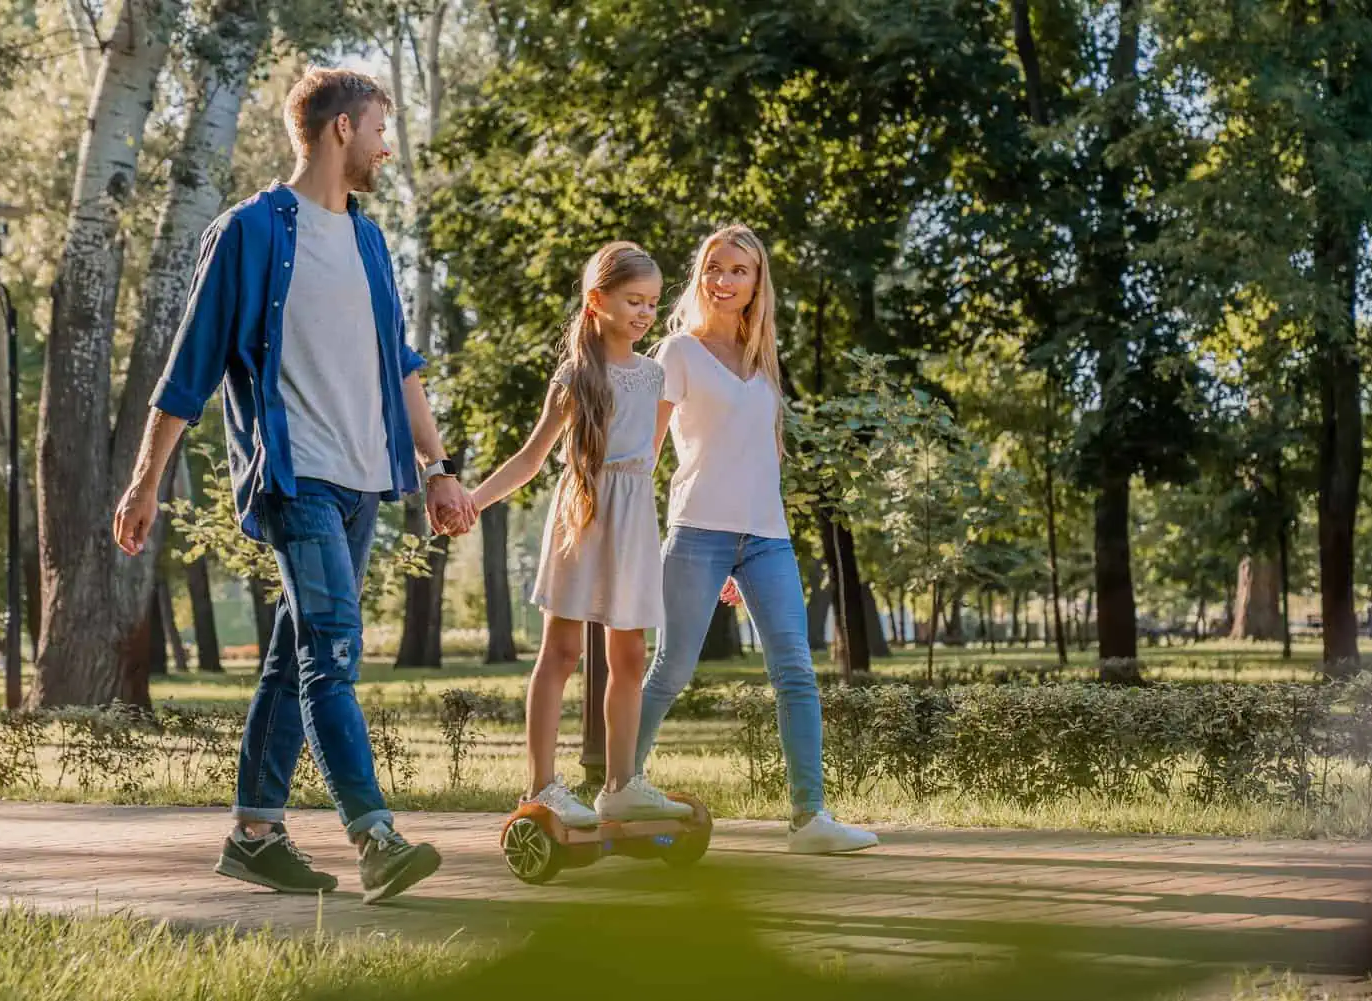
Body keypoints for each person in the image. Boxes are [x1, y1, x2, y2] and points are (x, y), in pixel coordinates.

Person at [112, 67, 476, 903]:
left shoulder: (372, 241)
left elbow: (402, 366)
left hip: (360, 484)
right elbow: (189, 369)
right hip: (295, 476)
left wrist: (436, 468)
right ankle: (373, 835)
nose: (388, 145)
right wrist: (144, 485)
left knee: (292, 658)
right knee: (333, 655)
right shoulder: (251, 231)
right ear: (342, 129)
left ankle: (254, 833)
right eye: (382, 128)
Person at [635, 225, 878, 854]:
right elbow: (650, 453)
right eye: (714, 267)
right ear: (701, 275)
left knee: (796, 672)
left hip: (767, 539)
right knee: (670, 671)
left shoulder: (763, 361)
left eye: (738, 270)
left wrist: (748, 559)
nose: (724, 280)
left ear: (756, 282)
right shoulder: (677, 354)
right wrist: (636, 532)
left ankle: (809, 819)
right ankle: (619, 785)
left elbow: (764, 458)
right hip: (696, 533)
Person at [471, 242, 692, 827]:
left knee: (630, 653)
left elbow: (659, 450)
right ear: (598, 301)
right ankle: (542, 785)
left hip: (635, 520)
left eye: (651, 302)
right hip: (582, 518)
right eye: (633, 301)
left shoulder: (655, 374)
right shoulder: (576, 376)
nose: (645, 313)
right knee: (561, 652)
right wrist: (472, 501)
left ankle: (622, 785)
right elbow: (529, 458)